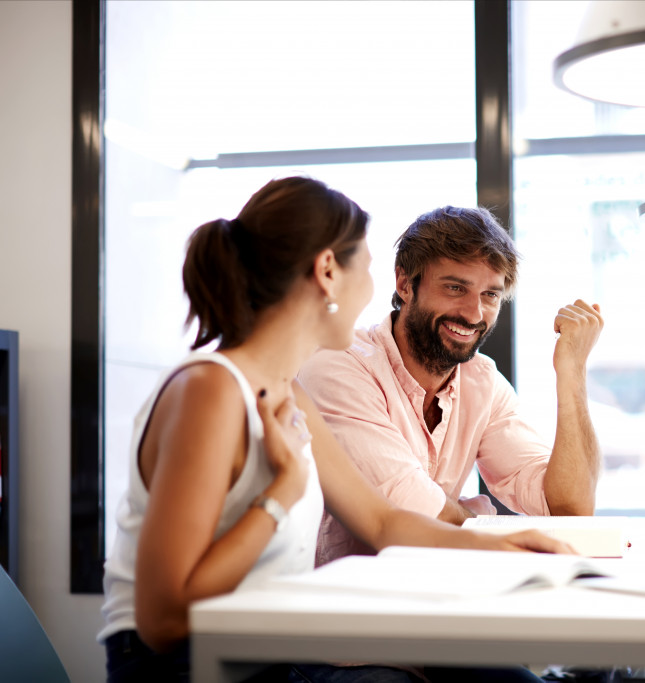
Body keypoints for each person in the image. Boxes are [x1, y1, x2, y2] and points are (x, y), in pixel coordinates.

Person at [97, 177, 571, 683]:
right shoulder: (210, 392)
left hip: (263, 650)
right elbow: (164, 619)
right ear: (327, 272)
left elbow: (384, 522)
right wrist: (282, 493)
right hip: (187, 664)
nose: (372, 291)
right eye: (365, 268)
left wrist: (505, 545)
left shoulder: (287, 393)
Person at [297, 205, 604, 564]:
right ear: (404, 284)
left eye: (490, 295)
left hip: (431, 596)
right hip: (339, 604)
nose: (474, 314)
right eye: (456, 287)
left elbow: (570, 508)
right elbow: (411, 510)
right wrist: (480, 521)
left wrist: (572, 372)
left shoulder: (483, 382)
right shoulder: (340, 365)